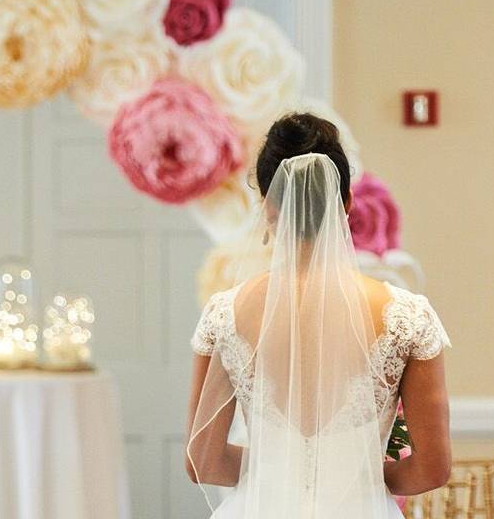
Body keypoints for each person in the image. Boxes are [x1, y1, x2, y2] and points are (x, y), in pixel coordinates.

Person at [185, 112, 451, 518]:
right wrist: (361, 473)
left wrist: (272, 470)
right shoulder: (407, 317)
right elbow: (432, 468)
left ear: (268, 207)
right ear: (346, 204)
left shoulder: (225, 315)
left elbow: (202, 459)